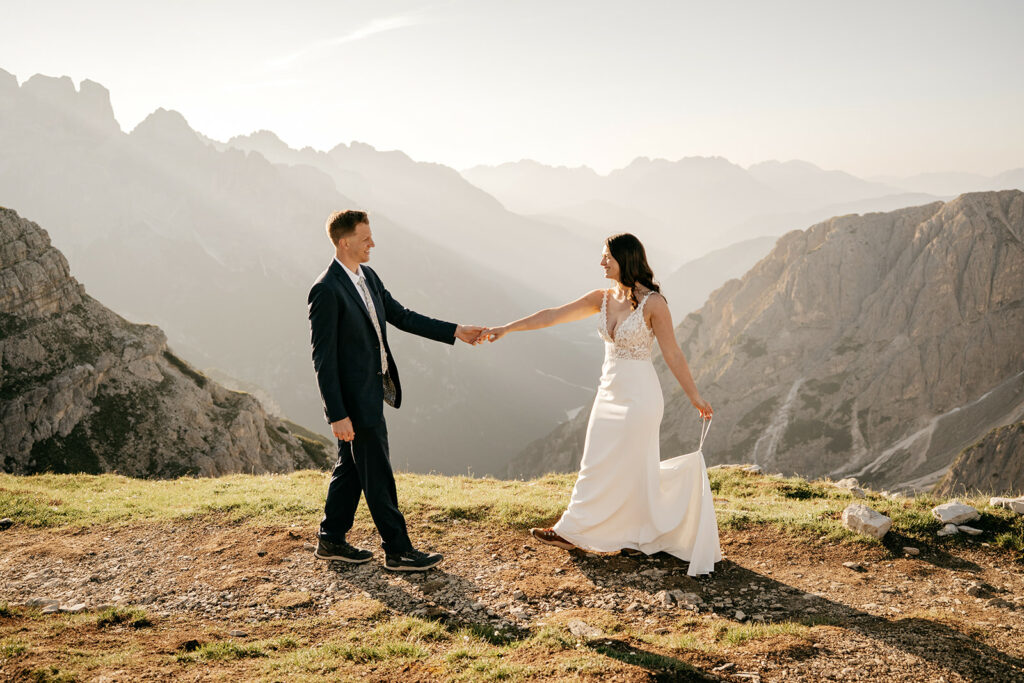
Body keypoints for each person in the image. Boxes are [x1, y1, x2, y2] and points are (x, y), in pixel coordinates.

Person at [481, 233, 722, 576]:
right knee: (594, 460)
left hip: (640, 396)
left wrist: (695, 396)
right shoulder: (603, 298)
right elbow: (552, 316)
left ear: (625, 258)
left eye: (607, 256)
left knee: (636, 467)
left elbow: (672, 353)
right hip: (608, 391)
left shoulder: (655, 304)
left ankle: (627, 534)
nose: (601, 262)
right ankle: (573, 529)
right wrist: (507, 328)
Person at [307, 210, 485, 572]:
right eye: (365, 238)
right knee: (378, 473)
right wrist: (336, 414)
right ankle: (398, 550)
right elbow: (322, 359)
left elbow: (401, 316)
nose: (372, 243)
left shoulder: (367, 276)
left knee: (352, 467)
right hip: (355, 401)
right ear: (344, 242)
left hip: (373, 390)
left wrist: (455, 330)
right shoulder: (325, 289)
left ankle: (331, 539)